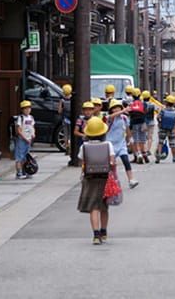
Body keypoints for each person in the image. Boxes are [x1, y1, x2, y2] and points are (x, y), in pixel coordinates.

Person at [77, 116, 115, 245]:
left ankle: (95, 234)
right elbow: (113, 162)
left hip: (90, 179)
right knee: (104, 207)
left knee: (94, 207)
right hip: (105, 178)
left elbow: (83, 163)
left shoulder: (84, 146)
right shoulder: (108, 145)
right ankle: (104, 232)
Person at [106, 99, 139, 189]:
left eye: (118, 107)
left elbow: (127, 130)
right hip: (110, 145)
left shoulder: (124, 118)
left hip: (121, 144)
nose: (116, 109)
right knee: (111, 165)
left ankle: (131, 179)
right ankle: (110, 181)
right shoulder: (110, 118)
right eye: (114, 108)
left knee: (126, 161)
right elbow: (110, 116)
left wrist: (130, 140)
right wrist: (123, 110)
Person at [15, 100, 36, 179]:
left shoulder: (31, 118)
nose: (27, 110)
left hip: (29, 139)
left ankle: (26, 171)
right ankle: (19, 172)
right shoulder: (20, 118)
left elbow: (33, 127)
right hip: (22, 139)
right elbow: (19, 130)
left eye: (29, 108)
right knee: (19, 156)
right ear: (22, 109)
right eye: (25, 108)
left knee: (26, 156)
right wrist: (25, 138)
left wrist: (33, 135)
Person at [128, 88, 148, 163]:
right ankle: (144, 153)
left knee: (135, 138)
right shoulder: (143, 103)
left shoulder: (131, 104)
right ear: (140, 95)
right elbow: (145, 112)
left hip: (134, 122)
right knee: (142, 138)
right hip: (142, 122)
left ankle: (138, 154)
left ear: (132, 96)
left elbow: (129, 113)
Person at [156, 95, 175, 163]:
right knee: (172, 143)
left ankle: (158, 157)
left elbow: (158, 117)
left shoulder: (163, 110)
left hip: (162, 128)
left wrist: (160, 123)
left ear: (166, 103)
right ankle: (174, 157)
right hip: (171, 129)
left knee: (160, 142)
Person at [58, 84, 72, 153]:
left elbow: (59, 111)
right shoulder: (72, 99)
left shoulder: (62, 100)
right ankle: (71, 145)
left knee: (66, 133)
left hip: (65, 118)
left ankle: (66, 146)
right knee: (71, 134)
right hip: (72, 118)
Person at [142, 90, 156, 160]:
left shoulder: (141, 104)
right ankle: (148, 150)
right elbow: (158, 109)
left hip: (143, 122)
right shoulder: (152, 104)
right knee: (150, 137)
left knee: (144, 137)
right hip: (151, 122)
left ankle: (144, 149)